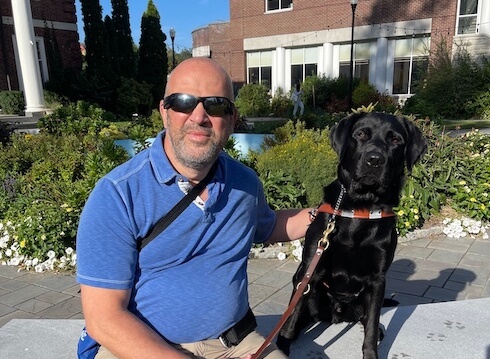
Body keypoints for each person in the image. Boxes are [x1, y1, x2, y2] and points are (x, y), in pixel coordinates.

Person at [76, 57, 313, 359]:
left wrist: (329, 214)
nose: (199, 116)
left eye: (216, 105)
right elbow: (104, 319)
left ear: (231, 117)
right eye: (184, 102)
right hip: (142, 347)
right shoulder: (117, 195)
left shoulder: (244, 183)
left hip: (234, 345)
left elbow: (268, 226)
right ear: (165, 112)